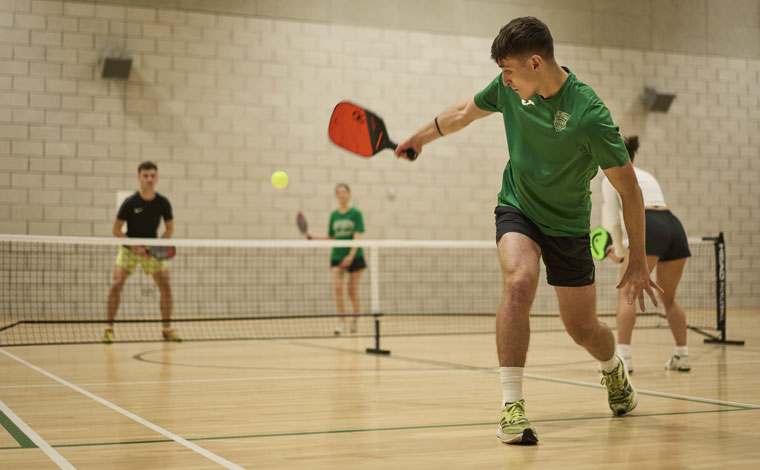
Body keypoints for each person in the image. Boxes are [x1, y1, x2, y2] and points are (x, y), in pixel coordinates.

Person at [394, 17, 662, 445]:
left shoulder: (589, 117)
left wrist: (635, 261)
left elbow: (629, 190)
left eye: (510, 72)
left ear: (535, 63)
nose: (505, 81)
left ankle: (613, 370)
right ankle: (512, 405)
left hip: (569, 225)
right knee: (519, 282)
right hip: (517, 206)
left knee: (583, 330)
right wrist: (419, 138)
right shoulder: (508, 89)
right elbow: (464, 111)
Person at [602, 136, 691, 373]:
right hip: (673, 227)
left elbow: (614, 224)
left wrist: (620, 254)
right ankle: (682, 355)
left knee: (627, 293)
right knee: (669, 298)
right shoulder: (646, 174)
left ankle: (623, 358)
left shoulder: (609, 177)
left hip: (649, 224)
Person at [103, 161, 181, 343]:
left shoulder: (163, 203)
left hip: (151, 250)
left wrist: (156, 247)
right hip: (129, 249)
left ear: (157, 178)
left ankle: (167, 329)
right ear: (139, 178)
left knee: (166, 288)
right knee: (116, 285)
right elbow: (116, 230)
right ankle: (109, 328)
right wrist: (134, 247)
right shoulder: (130, 203)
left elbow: (169, 230)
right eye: (145, 176)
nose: (149, 179)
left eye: (152, 175)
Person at [304, 183, 366, 335]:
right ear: (336, 196)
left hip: (355, 256)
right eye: (339, 192)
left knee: (352, 291)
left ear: (349, 194)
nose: (341, 195)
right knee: (338, 289)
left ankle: (356, 318)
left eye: (344, 192)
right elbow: (332, 236)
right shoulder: (334, 215)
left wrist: (350, 256)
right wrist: (314, 237)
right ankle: (341, 322)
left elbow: (357, 236)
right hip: (337, 256)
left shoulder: (356, 213)